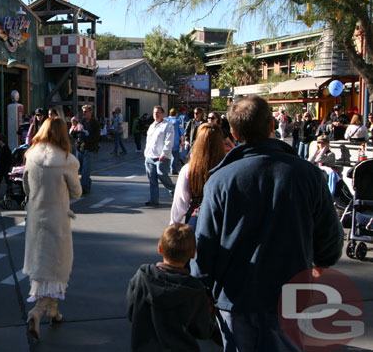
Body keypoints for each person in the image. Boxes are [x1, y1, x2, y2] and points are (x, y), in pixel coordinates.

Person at [191, 95, 343, 352]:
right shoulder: (309, 175)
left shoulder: (220, 180)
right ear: (272, 126)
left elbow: (204, 245)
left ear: (235, 134)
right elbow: (329, 241)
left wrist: (202, 287)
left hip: (236, 299)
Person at [22, 118, 82, 340]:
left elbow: (26, 185)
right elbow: (76, 192)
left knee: (42, 265)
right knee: (57, 266)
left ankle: (54, 311)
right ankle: (37, 312)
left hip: (36, 218)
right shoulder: (67, 160)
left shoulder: (31, 155)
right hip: (57, 218)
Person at [126, 224, 213, 351]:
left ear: (160, 248)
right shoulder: (195, 289)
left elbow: (131, 313)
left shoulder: (142, 277)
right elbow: (203, 331)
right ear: (193, 253)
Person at [170, 124, 225, 226]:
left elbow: (180, 203)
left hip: (197, 219)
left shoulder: (189, 169)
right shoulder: (228, 168)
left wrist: (173, 225)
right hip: (223, 220)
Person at [144, 106, 175, 207]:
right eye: (154, 113)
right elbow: (148, 141)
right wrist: (146, 153)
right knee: (152, 180)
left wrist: (164, 153)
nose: (156, 114)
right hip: (149, 156)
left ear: (163, 114)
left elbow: (169, 141)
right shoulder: (152, 126)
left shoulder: (167, 125)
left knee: (162, 175)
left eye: (158, 112)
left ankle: (174, 191)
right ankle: (154, 200)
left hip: (161, 157)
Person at [76, 104, 100, 194]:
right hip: (80, 148)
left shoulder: (95, 123)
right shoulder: (81, 122)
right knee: (80, 169)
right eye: (83, 111)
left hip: (89, 148)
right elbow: (76, 133)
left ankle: (84, 188)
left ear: (91, 112)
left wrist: (84, 137)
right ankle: (87, 183)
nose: (84, 113)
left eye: (85, 111)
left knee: (86, 170)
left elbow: (96, 137)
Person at [166, 108, 185, 174]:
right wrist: (182, 142)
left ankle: (164, 169)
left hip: (164, 142)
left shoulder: (165, 120)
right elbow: (182, 134)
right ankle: (173, 169)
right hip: (174, 142)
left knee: (165, 155)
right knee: (174, 156)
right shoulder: (178, 122)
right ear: (176, 114)